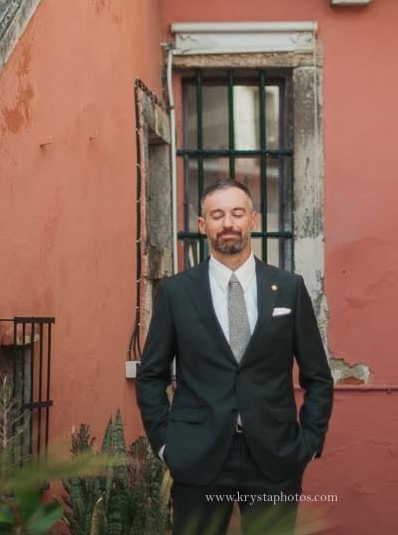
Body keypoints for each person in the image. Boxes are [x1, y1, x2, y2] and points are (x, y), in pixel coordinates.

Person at [136, 178, 334, 535]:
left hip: (275, 455)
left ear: (253, 220)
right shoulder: (176, 293)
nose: (228, 223)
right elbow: (151, 375)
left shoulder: (289, 288)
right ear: (203, 225)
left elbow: (318, 376)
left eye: (237, 213)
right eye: (217, 215)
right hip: (197, 456)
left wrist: (309, 443)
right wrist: (166, 445)